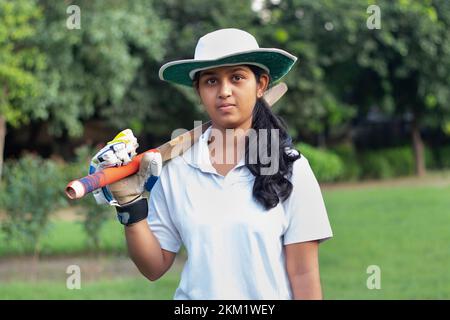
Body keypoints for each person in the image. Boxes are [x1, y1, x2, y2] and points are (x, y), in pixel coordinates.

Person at [90, 28, 333, 300]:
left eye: (237, 78)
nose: (224, 91)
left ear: (261, 84)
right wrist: (130, 205)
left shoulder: (292, 168)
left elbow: (303, 274)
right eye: (211, 81)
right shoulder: (176, 170)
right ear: (198, 90)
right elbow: (153, 267)